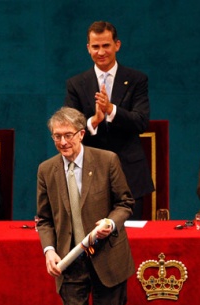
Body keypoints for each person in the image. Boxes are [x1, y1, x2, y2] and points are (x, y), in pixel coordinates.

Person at [36, 107, 135, 305]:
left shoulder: (106, 161)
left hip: (107, 259)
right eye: (57, 136)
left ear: (81, 133)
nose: (62, 142)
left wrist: (110, 221)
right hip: (70, 264)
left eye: (68, 135)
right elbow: (44, 219)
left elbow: (125, 203)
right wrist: (49, 250)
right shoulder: (46, 170)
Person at [65, 20, 154, 220]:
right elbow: (69, 130)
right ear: (88, 48)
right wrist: (94, 121)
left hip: (130, 175)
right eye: (95, 46)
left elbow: (141, 122)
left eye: (106, 45)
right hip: (90, 175)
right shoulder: (76, 84)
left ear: (117, 45)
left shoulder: (137, 79)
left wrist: (111, 110)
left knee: (132, 240)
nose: (101, 51)